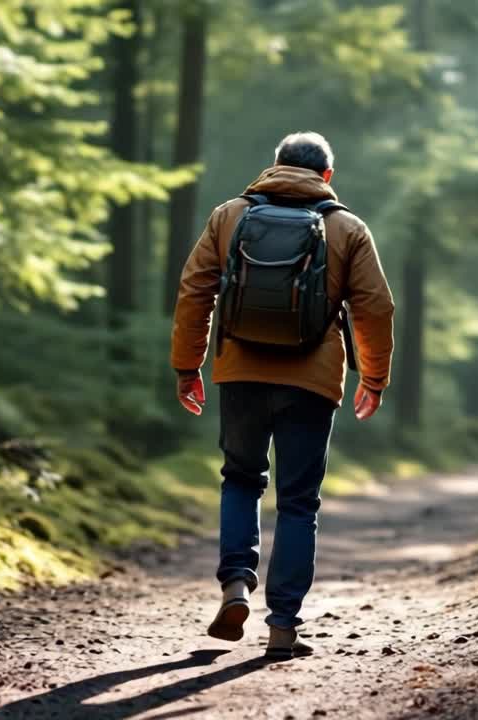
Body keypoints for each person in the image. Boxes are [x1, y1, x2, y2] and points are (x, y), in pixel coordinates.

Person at [169, 131, 395, 659]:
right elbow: (375, 310)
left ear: (273, 167)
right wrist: (374, 378)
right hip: (311, 382)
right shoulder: (347, 228)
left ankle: (235, 585)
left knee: (241, 478)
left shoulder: (230, 216)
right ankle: (283, 625)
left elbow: (194, 291)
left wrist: (187, 365)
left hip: (240, 372)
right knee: (298, 501)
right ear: (327, 177)